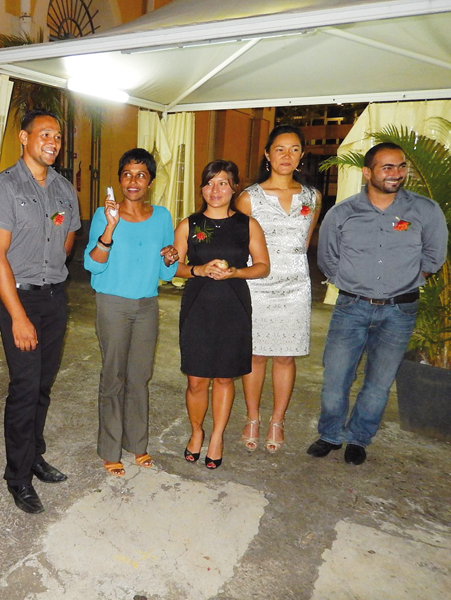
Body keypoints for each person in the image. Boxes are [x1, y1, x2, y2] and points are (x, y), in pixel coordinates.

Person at [308, 142, 447, 465]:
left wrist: (406, 282)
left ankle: (359, 438)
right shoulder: (342, 213)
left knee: (379, 383)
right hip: (351, 308)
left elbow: (434, 256)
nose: (396, 174)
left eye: (400, 166)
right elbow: (327, 258)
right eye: (387, 167)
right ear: (367, 172)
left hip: (399, 311)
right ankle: (330, 434)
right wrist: (354, 282)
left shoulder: (425, 211)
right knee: (335, 378)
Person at [0, 109, 81, 513]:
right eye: (44, 134)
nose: (52, 142)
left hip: (54, 296)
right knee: (24, 387)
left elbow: (69, 239)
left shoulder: (63, 188)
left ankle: (33, 456)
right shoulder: (3, 187)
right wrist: (19, 315)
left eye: (57, 136)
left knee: (42, 384)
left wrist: (51, 274)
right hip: (17, 298)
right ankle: (17, 477)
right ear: (23, 137)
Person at [84, 148, 179, 476]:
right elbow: (91, 264)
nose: (133, 181)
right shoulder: (103, 213)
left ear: (150, 180)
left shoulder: (163, 216)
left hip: (147, 305)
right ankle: (110, 448)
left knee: (140, 378)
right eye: (127, 174)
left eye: (141, 175)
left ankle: (137, 444)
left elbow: (167, 273)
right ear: (119, 180)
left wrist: (170, 256)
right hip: (112, 304)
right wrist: (110, 227)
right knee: (114, 377)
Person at [173, 160, 270, 470]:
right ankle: (197, 431)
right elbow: (172, 266)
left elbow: (263, 265)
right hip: (198, 307)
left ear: (234, 188)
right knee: (197, 380)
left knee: (226, 378)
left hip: (234, 307)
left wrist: (235, 272)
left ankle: (217, 436)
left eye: (223, 183)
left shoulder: (247, 224)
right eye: (210, 183)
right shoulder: (189, 224)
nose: (216, 190)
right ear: (202, 188)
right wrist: (197, 269)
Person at [236, 125, 321, 453]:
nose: (287, 155)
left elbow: (305, 240)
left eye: (294, 149)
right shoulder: (248, 197)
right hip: (258, 285)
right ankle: (253, 417)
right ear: (268, 155)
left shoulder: (312, 197)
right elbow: (239, 244)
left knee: (286, 357)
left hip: (296, 286)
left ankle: (277, 420)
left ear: (301, 155)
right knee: (255, 356)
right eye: (280, 149)